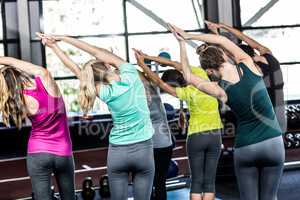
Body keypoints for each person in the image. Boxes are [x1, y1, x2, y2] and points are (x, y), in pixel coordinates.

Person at [168, 24, 285, 200]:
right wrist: (188, 35)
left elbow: (187, 76)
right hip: (273, 143)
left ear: (209, 71)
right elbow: (221, 40)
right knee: (270, 197)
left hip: (246, 148)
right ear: (223, 55)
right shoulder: (247, 63)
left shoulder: (219, 90)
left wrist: (182, 43)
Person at [37, 33, 155, 200]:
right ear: (108, 65)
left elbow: (75, 69)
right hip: (143, 151)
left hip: (118, 153)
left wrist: (54, 47)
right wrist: (63, 38)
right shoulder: (131, 74)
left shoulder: (103, 92)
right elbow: (96, 51)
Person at [133, 49, 223, 200]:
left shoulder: (185, 92)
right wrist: (146, 57)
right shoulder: (199, 73)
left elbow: (158, 82)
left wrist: (142, 65)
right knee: (209, 183)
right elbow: (172, 63)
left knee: (196, 182)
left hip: (196, 137)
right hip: (215, 136)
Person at [0, 56, 75, 200]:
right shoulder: (44, 79)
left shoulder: (19, 100)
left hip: (37, 153)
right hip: (63, 152)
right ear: (19, 73)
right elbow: (12, 62)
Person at [205, 20, 286, 133]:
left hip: (266, 117)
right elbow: (243, 37)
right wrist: (222, 26)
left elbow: (227, 54)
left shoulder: (253, 69)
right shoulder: (268, 54)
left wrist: (217, 34)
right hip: (281, 111)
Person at [138, 71, 173, 200]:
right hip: (166, 144)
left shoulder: (142, 99)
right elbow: (145, 76)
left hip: (154, 146)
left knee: (148, 183)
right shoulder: (155, 90)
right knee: (160, 183)